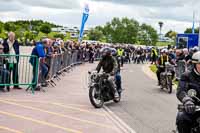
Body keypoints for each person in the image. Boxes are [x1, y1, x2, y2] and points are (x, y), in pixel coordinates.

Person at [176, 51, 200, 133]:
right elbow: (181, 90)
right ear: (194, 64)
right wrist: (187, 100)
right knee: (182, 118)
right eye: (199, 64)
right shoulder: (186, 76)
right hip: (193, 108)